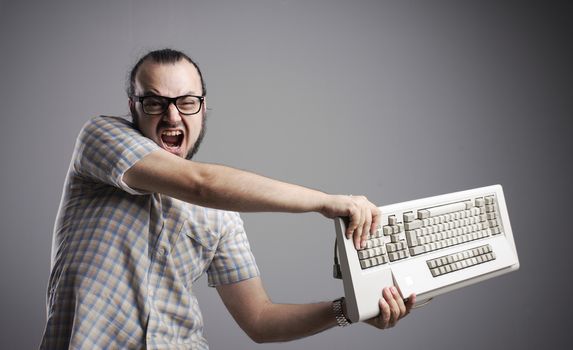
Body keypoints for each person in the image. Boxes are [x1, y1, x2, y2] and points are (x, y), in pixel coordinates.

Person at [40, 48, 415, 349]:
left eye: (186, 102)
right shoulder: (100, 137)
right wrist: (325, 201)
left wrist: (352, 309)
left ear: (203, 108)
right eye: (154, 102)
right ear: (133, 106)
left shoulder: (222, 214)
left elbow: (260, 321)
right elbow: (201, 183)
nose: (172, 116)